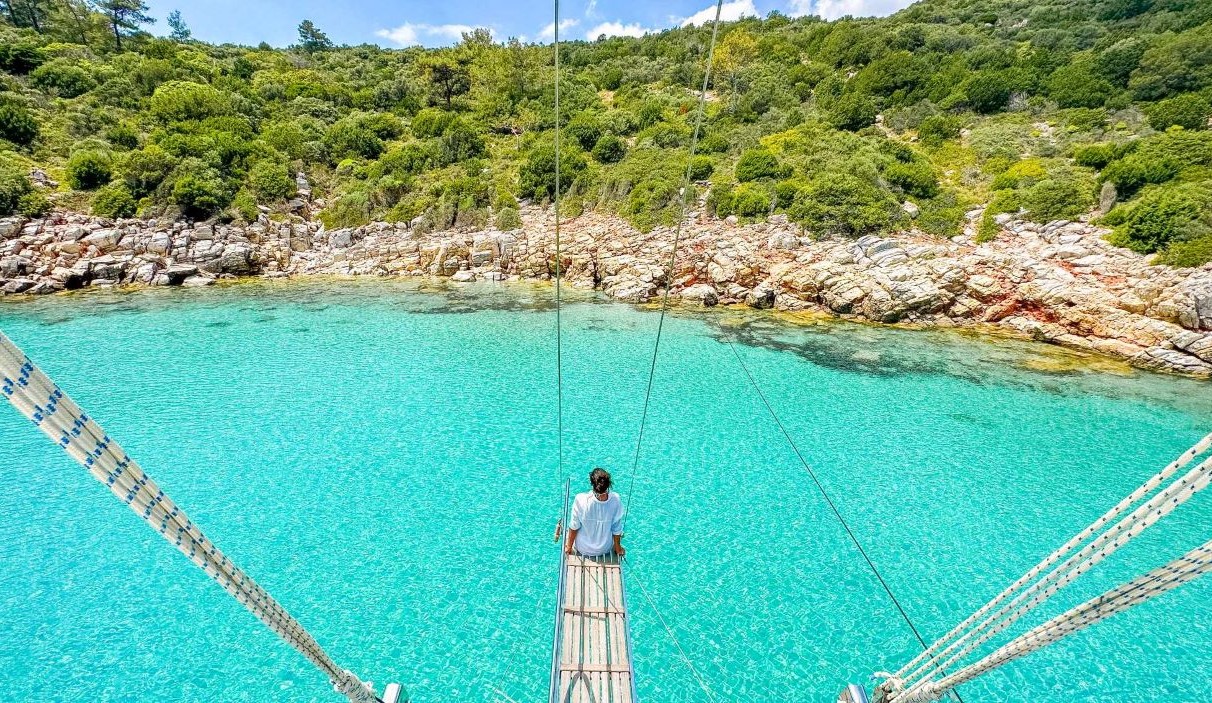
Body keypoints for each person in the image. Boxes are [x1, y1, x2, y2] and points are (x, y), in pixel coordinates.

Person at [565, 468, 626, 558]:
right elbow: (616, 529)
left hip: (583, 548)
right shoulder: (616, 500)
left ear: (592, 483)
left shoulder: (580, 499)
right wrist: (618, 549)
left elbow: (574, 526)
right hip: (605, 549)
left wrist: (568, 547)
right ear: (608, 484)